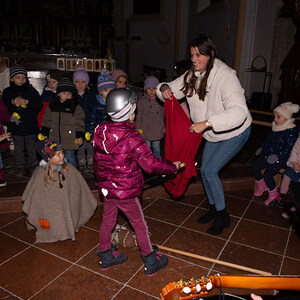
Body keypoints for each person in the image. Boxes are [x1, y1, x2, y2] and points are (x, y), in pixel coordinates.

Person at [156, 35, 252, 236]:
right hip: (211, 133)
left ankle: (222, 215)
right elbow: (170, 88)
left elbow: (239, 112)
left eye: (198, 55)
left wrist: (208, 123)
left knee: (209, 171)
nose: (193, 59)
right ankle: (213, 208)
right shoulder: (192, 75)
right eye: (191, 55)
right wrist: (163, 88)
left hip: (235, 131)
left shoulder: (226, 76)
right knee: (205, 171)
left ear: (211, 55)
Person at [93, 88, 180, 275]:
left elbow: (98, 160)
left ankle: (106, 254)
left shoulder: (100, 130)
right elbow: (150, 164)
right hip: (126, 191)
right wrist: (172, 167)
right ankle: (150, 259)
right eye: (134, 108)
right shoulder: (131, 137)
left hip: (108, 189)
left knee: (107, 222)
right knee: (139, 224)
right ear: (128, 110)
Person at [22, 138, 98, 243]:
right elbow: (35, 196)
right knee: (53, 221)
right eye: (57, 154)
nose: (62, 156)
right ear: (48, 158)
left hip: (69, 208)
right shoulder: (40, 174)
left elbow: (79, 188)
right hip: (48, 212)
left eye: (62, 152)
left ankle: (69, 224)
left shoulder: (68, 168)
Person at [252, 102, 299, 206]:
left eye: (278, 117)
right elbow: (269, 141)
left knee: (268, 174)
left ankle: (273, 193)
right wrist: (262, 149)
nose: (275, 119)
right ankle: (262, 186)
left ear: (287, 118)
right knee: (255, 167)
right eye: (275, 116)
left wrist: (277, 156)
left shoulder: (291, 132)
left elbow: (289, 149)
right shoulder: (276, 128)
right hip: (268, 155)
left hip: (281, 159)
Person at [2, 65, 42, 177]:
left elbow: (38, 105)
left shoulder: (31, 90)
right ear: (12, 78)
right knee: (18, 148)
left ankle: (33, 165)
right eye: (18, 77)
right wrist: (12, 101)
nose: (21, 80)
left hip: (30, 125)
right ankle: (20, 166)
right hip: (16, 126)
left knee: (31, 147)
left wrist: (27, 102)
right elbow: (4, 108)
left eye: (23, 77)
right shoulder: (7, 92)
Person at [39, 78, 85, 167]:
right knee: (55, 158)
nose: (67, 95)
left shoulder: (75, 107)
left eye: (69, 94)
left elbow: (80, 122)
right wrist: (44, 132)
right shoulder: (52, 106)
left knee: (70, 158)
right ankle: (57, 175)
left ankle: (72, 175)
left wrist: (79, 135)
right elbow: (46, 120)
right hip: (54, 138)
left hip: (69, 139)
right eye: (64, 93)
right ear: (58, 93)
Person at [73, 67, 96, 175]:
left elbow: (94, 110)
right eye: (77, 82)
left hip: (90, 124)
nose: (80, 84)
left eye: (83, 82)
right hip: (78, 126)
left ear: (87, 83)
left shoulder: (91, 96)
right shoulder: (72, 97)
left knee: (90, 146)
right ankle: (82, 164)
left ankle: (91, 164)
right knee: (80, 147)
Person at [85, 68, 115, 148]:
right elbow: (92, 121)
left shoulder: (115, 103)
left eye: (111, 90)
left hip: (113, 134)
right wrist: (91, 135)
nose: (109, 93)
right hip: (99, 134)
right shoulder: (96, 104)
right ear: (100, 92)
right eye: (106, 90)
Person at [136, 75, 165, 158]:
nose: (151, 90)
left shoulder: (161, 100)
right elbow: (139, 115)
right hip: (145, 129)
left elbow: (164, 115)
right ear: (145, 89)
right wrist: (138, 128)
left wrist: (165, 127)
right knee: (146, 148)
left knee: (156, 147)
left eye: (154, 88)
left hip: (157, 129)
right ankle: (147, 163)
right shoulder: (141, 100)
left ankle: (157, 162)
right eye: (149, 88)